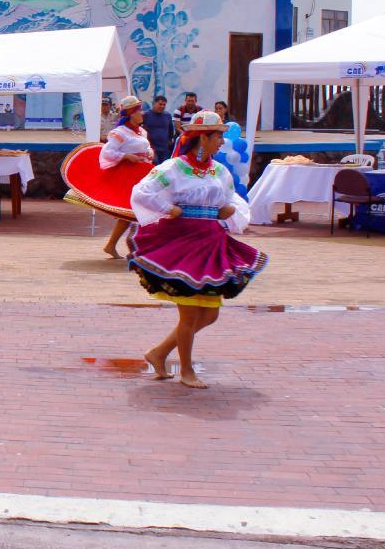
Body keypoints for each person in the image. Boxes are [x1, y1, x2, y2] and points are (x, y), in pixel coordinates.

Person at [129, 111, 268, 389]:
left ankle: (158, 352)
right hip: (182, 243)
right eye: (217, 136)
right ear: (202, 137)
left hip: (211, 241)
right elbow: (142, 193)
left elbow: (231, 199)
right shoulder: (173, 168)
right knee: (190, 314)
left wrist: (228, 211)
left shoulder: (219, 171)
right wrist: (170, 209)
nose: (221, 141)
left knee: (209, 314)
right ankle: (186, 370)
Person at [96, 96, 154, 258]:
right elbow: (107, 152)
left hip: (143, 174)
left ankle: (115, 245)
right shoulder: (119, 133)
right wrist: (126, 156)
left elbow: (147, 147)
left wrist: (149, 153)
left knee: (133, 211)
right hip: (129, 176)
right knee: (133, 211)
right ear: (130, 113)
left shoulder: (142, 132)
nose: (142, 114)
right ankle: (135, 246)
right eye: (138, 111)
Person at [141, 95, 174, 164]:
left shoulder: (167, 115)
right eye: (160, 104)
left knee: (165, 168)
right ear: (154, 104)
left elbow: (171, 130)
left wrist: (169, 141)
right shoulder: (145, 115)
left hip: (164, 149)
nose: (162, 106)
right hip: (152, 149)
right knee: (155, 169)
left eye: (164, 105)